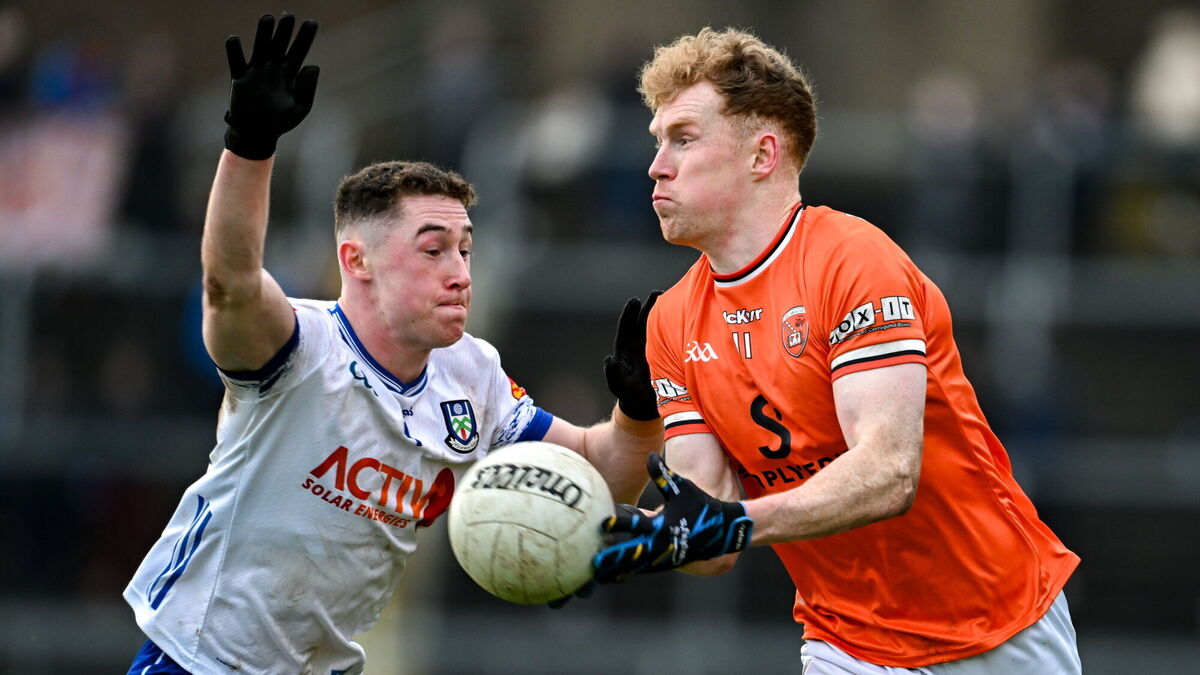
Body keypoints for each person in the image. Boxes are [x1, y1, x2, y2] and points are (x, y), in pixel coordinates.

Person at [123, 14, 662, 675]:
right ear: (358, 261)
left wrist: (638, 414)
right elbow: (229, 282)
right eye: (434, 250)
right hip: (199, 660)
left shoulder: (473, 376)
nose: (460, 273)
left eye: (466, 250)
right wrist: (249, 147)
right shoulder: (298, 346)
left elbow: (602, 475)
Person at [591, 27, 1082, 674]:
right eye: (658, 141)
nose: (657, 165)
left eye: (683, 138)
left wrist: (734, 522)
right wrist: (645, 531)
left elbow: (889, 473)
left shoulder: (853, 262)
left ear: (762, 154)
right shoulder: (672, 323)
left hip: (998, 624)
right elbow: (712, 536)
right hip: (844, 640)